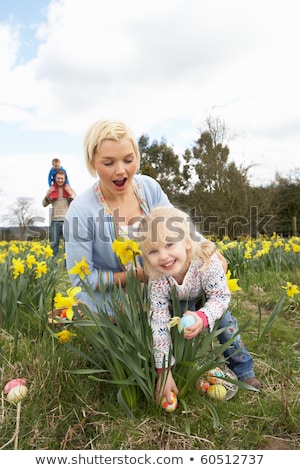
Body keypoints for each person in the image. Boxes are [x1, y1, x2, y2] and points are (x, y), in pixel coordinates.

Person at [63, 119, 261, 397]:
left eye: (128, 160)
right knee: (155, 330)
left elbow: (180, 229)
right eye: (108, 163)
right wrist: (140, 275)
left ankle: (237, 368)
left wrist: (209, 250)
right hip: (120, 303)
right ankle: (171, 367)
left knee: (208, 300)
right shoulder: (81, 212)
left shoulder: (148, 188)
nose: (121, 170)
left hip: (162, 282)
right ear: (92, 161)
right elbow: (83, 280)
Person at [137, 205, 232, 404]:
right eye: (154, 251)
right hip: (178, 301)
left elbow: (221, 297)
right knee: (177, 326)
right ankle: (186, 366)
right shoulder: (158, 279)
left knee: (226, 322)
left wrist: (204, 316)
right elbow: (159, 325)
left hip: (207, 297)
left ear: (188, 242)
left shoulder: (207, 262)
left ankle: (243, 368)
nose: (163, 256)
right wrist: (164, 372)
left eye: (170, 244)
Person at [43, 170, 76, 257]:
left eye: (62, 178)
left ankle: (67, 266)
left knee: (68, 244)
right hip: (55, 220)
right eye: (58, 178)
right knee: (54, 244)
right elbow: (44, 204)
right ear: (55, 178)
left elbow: (76, 203)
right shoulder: (51, 189)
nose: (60, 180)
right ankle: (54, 266)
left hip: (67, 220)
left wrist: (70, 193)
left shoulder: (70, 189)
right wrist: (47, 195)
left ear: (65, 179)